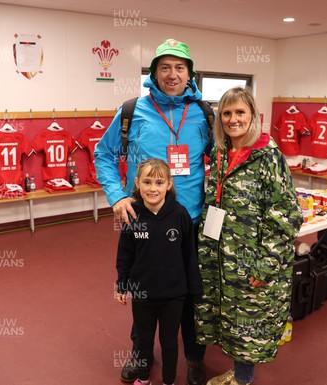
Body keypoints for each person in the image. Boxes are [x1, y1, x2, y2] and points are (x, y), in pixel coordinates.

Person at [94, 38, 212, 385]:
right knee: (143, 290)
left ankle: (193, 358)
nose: (172, 74)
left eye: (179, 67)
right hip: (142, 220)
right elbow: (103, 153)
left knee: (190, 291)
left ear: (190, 73)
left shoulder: (205, 114)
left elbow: (224, 161)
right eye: (165, 67)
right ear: (154, 73)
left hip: (189, 221)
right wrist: (117, 196)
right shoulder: (133, 111)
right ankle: (141, 356)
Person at [195, 87, 303, 385]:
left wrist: (266, 264)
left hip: (252, 257)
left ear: (253, 116)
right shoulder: (219, 152)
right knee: (230, 315)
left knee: (248, 320)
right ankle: (238, 372)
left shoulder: (268, 156)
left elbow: (286, 215)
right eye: (226, 113)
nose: (233, 119)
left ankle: (243, 379)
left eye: (240, 112)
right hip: (221, 254)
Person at [116, 158, 203, 385]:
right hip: (142, 295)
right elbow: (125, 255)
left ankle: (168, 380)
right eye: (147, 182)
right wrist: (122, 284)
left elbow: (189, 256)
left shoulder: (180, 214)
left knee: (169, 342)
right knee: (144, 342)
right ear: (137, 183)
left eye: (159, 182)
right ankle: (143, 378)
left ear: (169, 184)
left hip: (173, 296)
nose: (153, 188)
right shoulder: (132, 215)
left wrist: (195, 290)